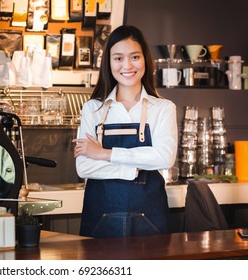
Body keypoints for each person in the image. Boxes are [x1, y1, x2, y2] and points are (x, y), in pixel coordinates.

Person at [73, 25, 178, 238]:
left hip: (151, 219)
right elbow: (84, 167)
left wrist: (105, 154)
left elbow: (164, 158)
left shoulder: (163, 108)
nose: (127, 65)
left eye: (135, 57)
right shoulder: (93, 109)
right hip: (99, 221)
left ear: (145, 60)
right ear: (109, 62)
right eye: (118, 58)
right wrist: (131, 170)